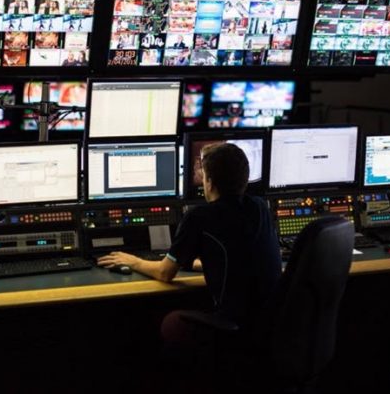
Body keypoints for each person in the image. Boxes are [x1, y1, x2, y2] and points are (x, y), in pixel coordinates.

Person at [97, 143, 281, 341]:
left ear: (209, 182)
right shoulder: (260, 208)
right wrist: (205, 264)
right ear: (245, 180)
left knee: (169, 321)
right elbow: (244, 258)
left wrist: (134, 262)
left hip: (235, 328)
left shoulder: (200, 217)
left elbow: (165, 273)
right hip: (272, 327)